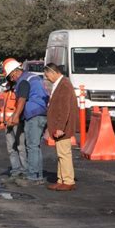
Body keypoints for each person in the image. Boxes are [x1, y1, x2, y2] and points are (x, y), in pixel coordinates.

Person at [3, 58, 49, 187]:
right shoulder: (33, 78)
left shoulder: (23, 81)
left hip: (33, 115)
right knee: (36, 146)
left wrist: (16, 116)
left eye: (11, 77)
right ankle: (38, 175)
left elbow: (22, 99)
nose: (12, 80)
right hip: (41, 113)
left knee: (32, 147)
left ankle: (33, 176)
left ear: (15, 72)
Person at [43, 63, 78, 191]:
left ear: (53, 72)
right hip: (60, 127)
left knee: (64, 154)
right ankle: (61, 179)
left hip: (63, 128)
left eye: (47, 76)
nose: (47, 78)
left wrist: (60, 127)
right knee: (61, 154)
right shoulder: (60, 83)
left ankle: (68, 181)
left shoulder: (64, 85)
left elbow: (65, 109)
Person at [0, 80, 27, 182]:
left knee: (21, 147)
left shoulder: (19, 88)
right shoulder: (7, 90)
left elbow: (21, 104)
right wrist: (1, 120)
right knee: (11, 148)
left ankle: (25, 171)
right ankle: (16, 171)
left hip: (17, 122)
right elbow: (4, 108)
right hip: (8, 123)